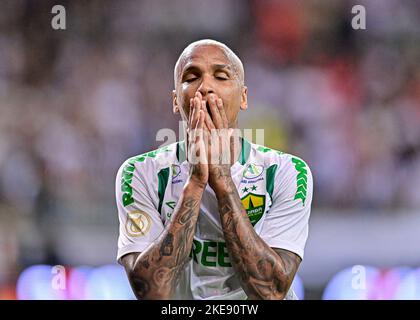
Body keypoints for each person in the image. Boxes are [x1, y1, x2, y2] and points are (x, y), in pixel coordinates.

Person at [115, 39, 313, 300]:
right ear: (176, 101)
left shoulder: (286, 171)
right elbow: (153, 293)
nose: (205, 87)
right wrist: (196, 183)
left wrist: (222, 181)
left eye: (221, 76)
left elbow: (271, 291)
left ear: (243, 97)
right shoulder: (139, 172)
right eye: (192, 77)